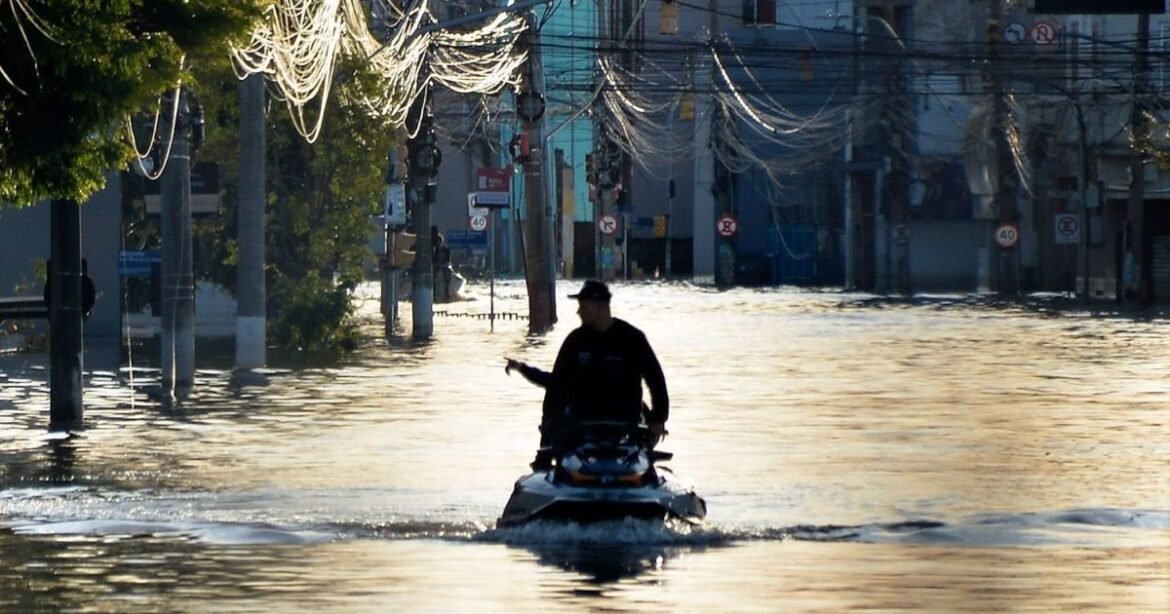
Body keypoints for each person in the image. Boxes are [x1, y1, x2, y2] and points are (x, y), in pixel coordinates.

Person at [531, 280, 669, 469]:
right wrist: (546, 440)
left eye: (583, 307)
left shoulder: (632, 338)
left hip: (626, 423)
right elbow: (556, 388)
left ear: (600, 307)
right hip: (581, 424)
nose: (579, 312)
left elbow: (656, 381)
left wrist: (658, 419)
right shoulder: (575, 341)